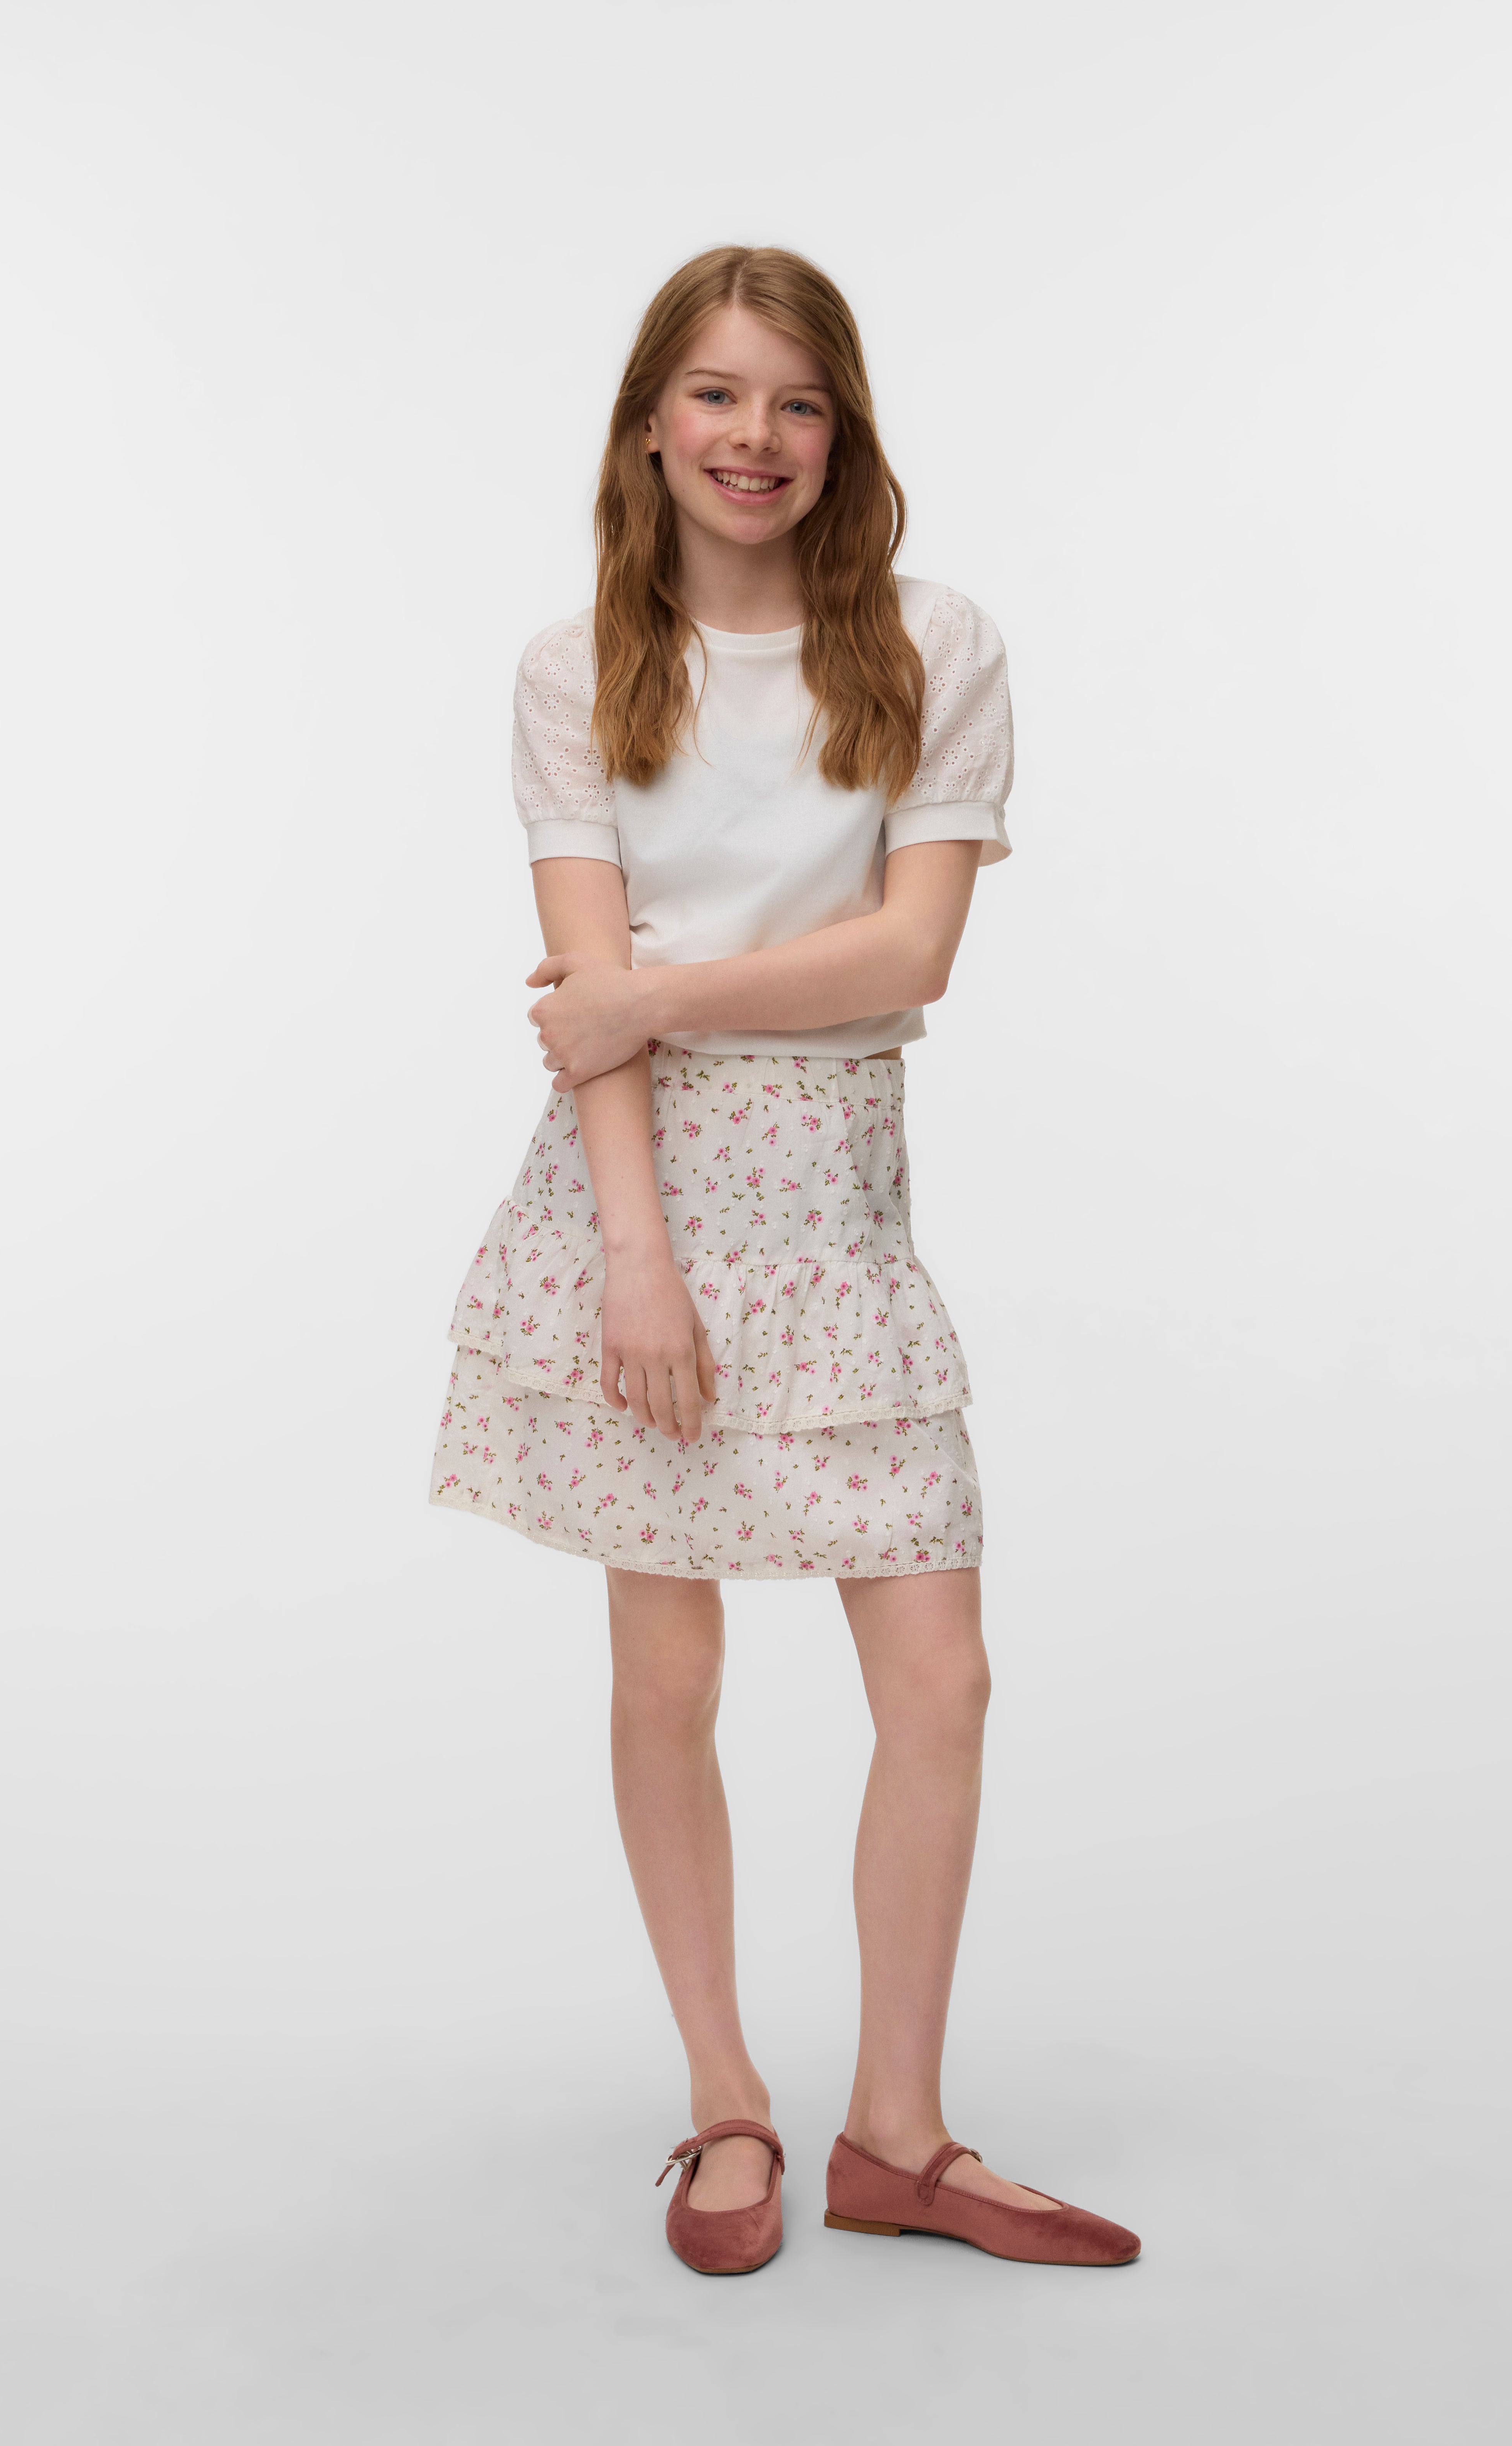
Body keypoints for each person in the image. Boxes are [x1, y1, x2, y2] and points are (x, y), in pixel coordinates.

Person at [430, 245, 1139, 2277]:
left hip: (835, 1197)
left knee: (940, 1680)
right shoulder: (575, 669)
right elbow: (583, 1012)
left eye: (798, 401)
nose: (757, 437)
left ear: (844, 433)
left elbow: (911, 952)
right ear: (652, 424)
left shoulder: (931, 642)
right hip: (634, 1200)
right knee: (669, 1674)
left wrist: (654, 994)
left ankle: (898, 2133)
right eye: (720, 395)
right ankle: (726, 2101)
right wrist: (632, 1256)